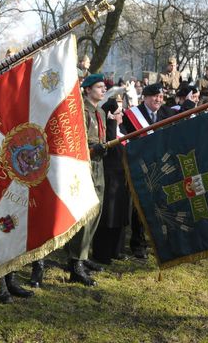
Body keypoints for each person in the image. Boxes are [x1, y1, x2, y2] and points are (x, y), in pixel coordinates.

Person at [121, 83, 176, 258]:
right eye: (155, 96)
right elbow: (124, 140)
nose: (158, 100)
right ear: (145, 96)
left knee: (160, 206)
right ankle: (139, 245)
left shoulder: (167, 113)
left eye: (161, 97)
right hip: (140, 166)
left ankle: (158, 242)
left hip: (162, 166)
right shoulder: (131, 116)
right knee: (140, 208)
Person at [66, 73, 107, 287]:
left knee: (96, 212)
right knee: (85, 213)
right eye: (99, 87)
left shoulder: (100, 111)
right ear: (88, 89)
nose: (103, 90)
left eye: (104, 87)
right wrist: (92, 149)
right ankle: (75, 263)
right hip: (85, 165)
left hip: (99, 165)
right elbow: (75, 141)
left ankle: (84, 255)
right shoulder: (81, 111)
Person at [91, 95, 130, 264]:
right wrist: (112, 121)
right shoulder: (109, 130)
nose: (123, 115)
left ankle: (117, 249)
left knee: (121, 216)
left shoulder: (125, 128)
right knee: (109, 217)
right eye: (119, 112)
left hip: (123, 178)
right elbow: (111, 143)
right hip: (110, 178)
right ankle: (102, 253)